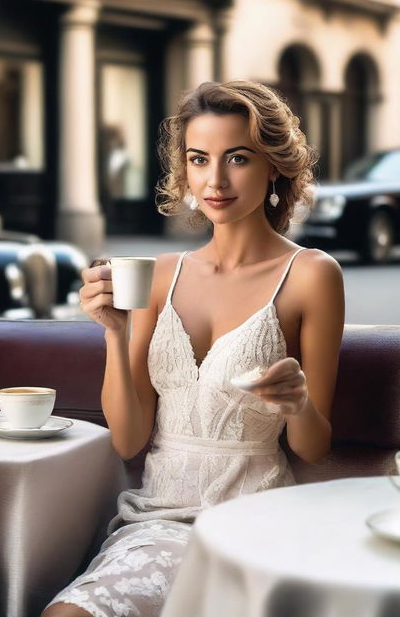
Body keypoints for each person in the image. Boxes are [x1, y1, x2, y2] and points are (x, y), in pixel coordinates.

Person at [42, 80, 345, 617]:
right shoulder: (160, 276)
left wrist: (297, 403)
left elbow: (313, 447)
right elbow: (130, 440)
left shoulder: (311, 275)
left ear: (274, 166)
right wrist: (115, 333)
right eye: (199, 159)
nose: (215, 180)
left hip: (255, 517)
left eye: (238, 158)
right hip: (157, 520)